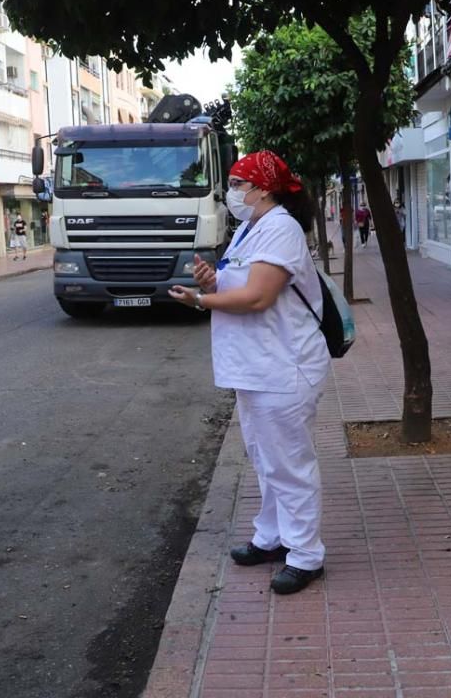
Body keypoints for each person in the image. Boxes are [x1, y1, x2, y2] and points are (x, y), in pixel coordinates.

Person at [168, 150, 330, 595]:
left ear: (262, 188)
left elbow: (258, 297)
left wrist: (199, 302)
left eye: (238, 183)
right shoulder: (248, 229)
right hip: (255, 366)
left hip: (284, 365)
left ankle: (306, 555)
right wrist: (210, 283)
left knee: (289, 462)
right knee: (265, 458)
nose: (232, 192)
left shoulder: (280, 227)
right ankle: (273, 537)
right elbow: (236, 285)